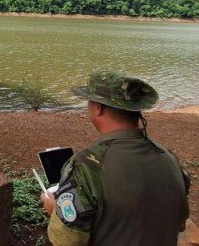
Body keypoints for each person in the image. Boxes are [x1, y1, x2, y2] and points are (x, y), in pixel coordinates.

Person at [41, 71, 190, 246]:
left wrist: (54, 211)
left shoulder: (87, 166)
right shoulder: (169, 159)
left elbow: (67, 240)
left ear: (98, 107)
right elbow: (180, 222)